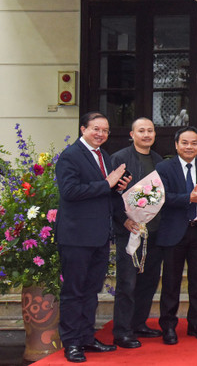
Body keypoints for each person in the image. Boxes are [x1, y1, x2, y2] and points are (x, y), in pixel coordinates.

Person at [56, 112, 131, 363]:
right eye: (96, 129)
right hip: (76, 237)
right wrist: (107, 184)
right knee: (73, 292)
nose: (101, 134)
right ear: (83, 129)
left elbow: (103, 193)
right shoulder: (70, 156)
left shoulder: (104, 156)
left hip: (99, 236)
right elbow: (69, 192)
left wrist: (117, 187)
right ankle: (72, 343)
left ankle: (87, 337)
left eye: (105, 130)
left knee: (91, 291)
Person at [156, 126, 197, 345]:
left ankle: (196, 322)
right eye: (185, 143)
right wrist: (189, 198)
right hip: (173, 233)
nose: (190, 147)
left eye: (194, 143)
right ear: (176, 145)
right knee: (171, 282)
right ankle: (169, 326)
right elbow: (162, 197)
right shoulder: (164, 167)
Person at [110, 117, 164, 348]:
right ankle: (122, 331)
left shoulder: (158, 160)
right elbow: (110, 193)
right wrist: (122, 220)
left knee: (148, 281)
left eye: (150, 131)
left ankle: (139, 323)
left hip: (154, 232)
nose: (146, 134)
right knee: (127, 283)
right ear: (132, 134)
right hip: (130, 231)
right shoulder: (120, 158)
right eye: (141, 131)